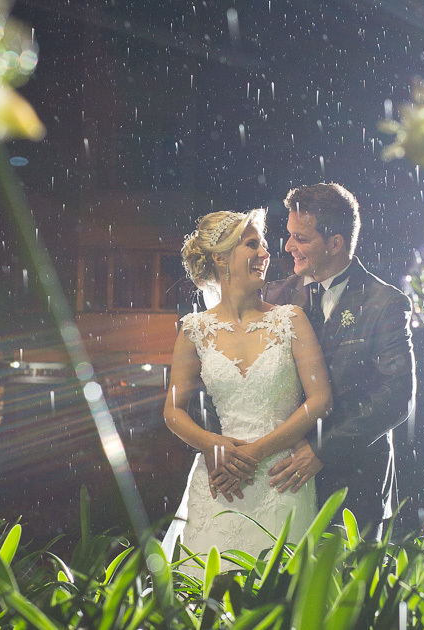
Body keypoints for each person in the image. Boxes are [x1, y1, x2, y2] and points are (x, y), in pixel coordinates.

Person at [162, 209, 332, 561]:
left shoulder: (291, 319)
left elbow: (320, 400)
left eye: (264, 245)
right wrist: (213, 445)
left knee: (280, 596)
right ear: (220, 257)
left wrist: (254, 453)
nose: (265, 254)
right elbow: (173, 411)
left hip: (282, 477)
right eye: (252, 244)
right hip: (220, 479)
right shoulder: (194, 330)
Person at [262, 183, 416, 537]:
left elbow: (395, 398)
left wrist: (322, 451)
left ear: (335, 243)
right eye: (288, 235)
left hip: (354, 481)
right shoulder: (274, 296)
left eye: (300, 238)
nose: (288, 247)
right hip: (280, 477)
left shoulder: (385, 303)